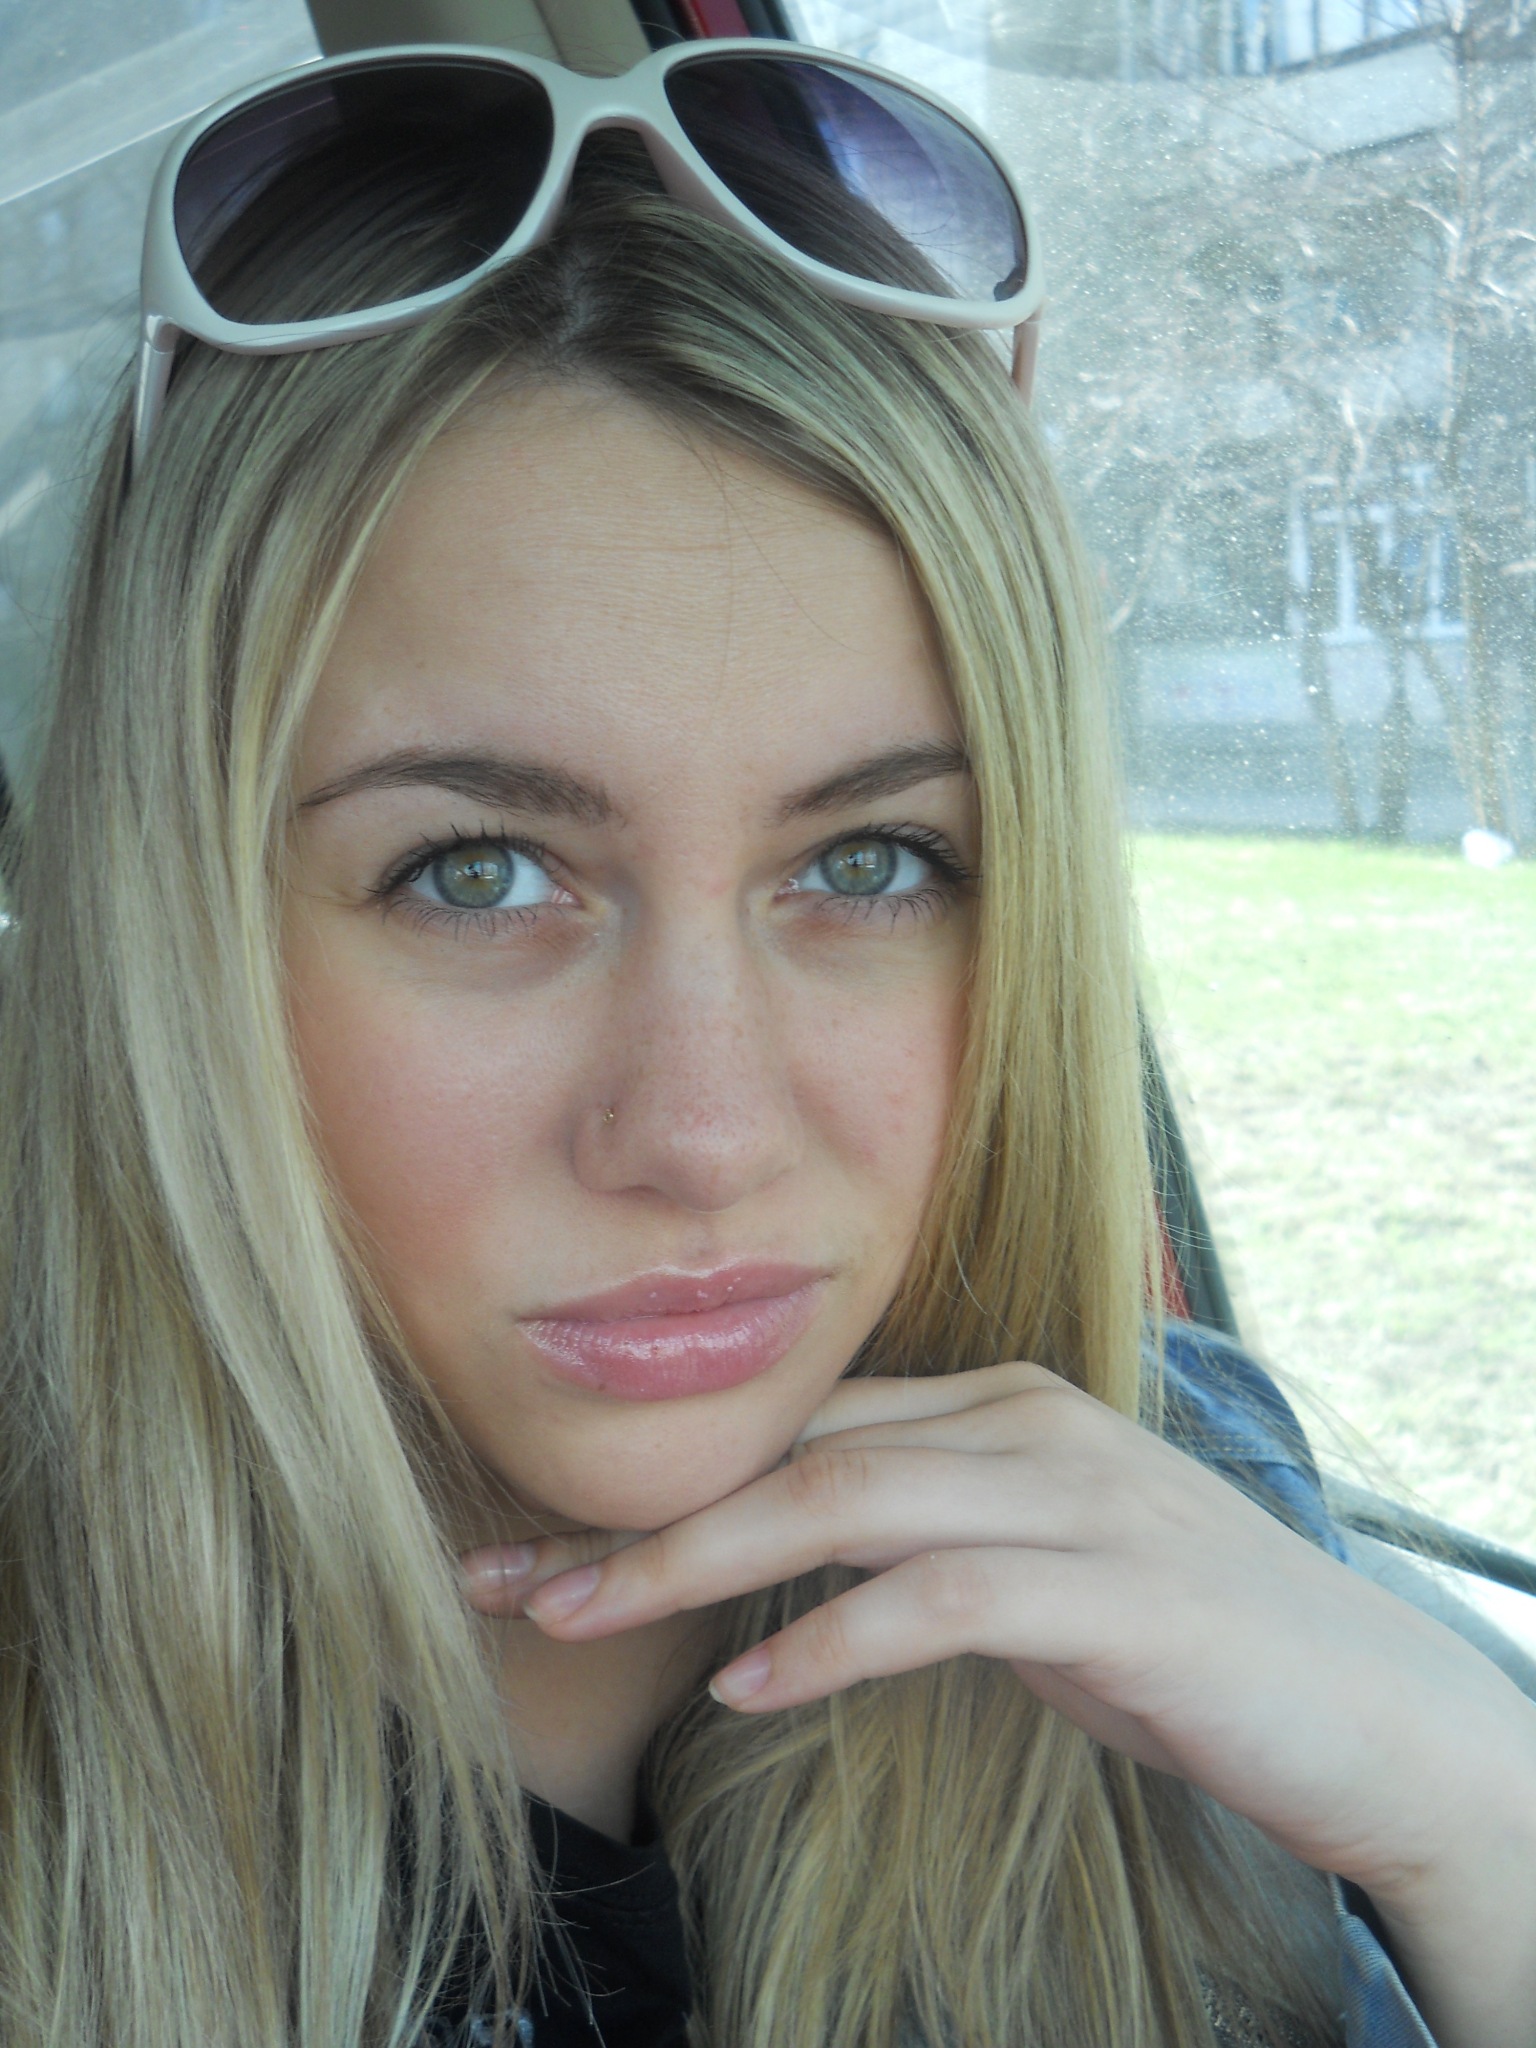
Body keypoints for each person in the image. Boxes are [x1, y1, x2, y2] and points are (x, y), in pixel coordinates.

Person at [1, 40, 1533, 2048]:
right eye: (477, 874)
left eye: (871, 863)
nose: (705, 1132)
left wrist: (1480, 1830)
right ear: (179, 923)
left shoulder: (1173, 1497)